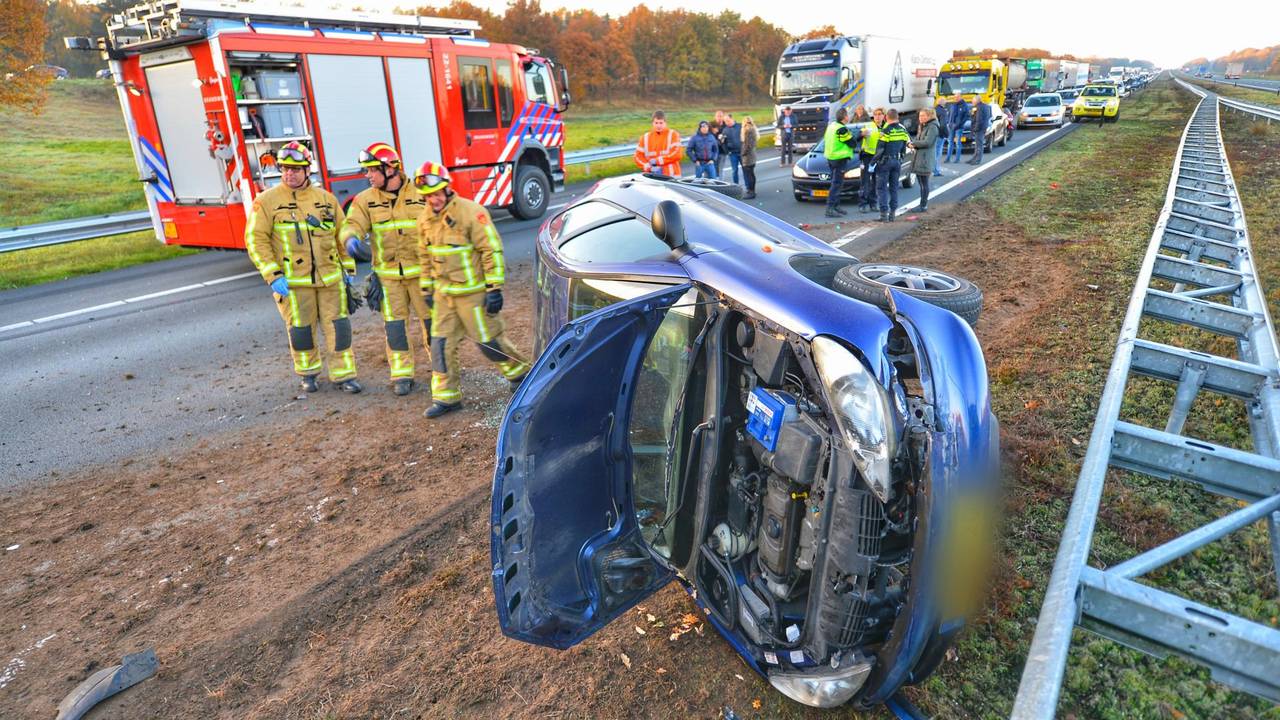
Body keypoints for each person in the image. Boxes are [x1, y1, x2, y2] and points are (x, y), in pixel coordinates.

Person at [413, 162, 530, 419]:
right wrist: (426, 289)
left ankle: (520, 374)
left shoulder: (471, 213)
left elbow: (491, 249)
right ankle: (446, 397)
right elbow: (424, 256)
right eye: (427, 196)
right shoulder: (424, 219)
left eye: (436, 194)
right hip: (445, 297)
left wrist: (494, 288)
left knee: (489, 343)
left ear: (446, 190)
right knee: (440, 346)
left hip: (473, 295)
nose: (432, 200)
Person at [244, 141, 361, 394]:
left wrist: (349, 270)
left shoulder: (326, 200)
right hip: (294, 285)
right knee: (301, 331)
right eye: (285, 168)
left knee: (339, 329)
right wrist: (272, 275)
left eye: (296, 169)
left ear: (308, 170)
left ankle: (344, 376)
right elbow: (255, 240)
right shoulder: (266, 202)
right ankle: (309, 374)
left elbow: (341, 235)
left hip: (331, 280)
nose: (290, 173)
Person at [340, 142, 428, 396]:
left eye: (371, 170)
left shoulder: (421, 192)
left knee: (433, 326)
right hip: (389, 278)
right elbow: (352, 223)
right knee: (395, 328)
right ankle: (402, 374)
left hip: (423, 275)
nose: (367, 175)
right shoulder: (365, 200)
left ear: (390, 168)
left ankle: (442, 371)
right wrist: (351, 240)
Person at [872, 108, 910, 222]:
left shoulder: (886, 131)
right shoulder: (902, 130)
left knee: (882, 188)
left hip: (885, 162)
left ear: (886, 118)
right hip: (897, 161)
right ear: (897, 117)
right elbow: (904, 146)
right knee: (894, 188)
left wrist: (873, 162)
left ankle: (883, 214)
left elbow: (880, 149)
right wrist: (901, 158)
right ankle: (892, 214)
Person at [821, 107, 858, 218]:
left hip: (831, 158)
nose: (849, 117)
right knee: (836, 184)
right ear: (845, 117)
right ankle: (830, 208)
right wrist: (860, 135)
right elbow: (852, 143)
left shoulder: (832, 126)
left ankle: (836, 206)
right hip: (839, 159)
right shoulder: (842, 129)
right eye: (847, 115)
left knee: (836, 183)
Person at [633, 110, 683, 176]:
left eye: (661, 123)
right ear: (652, 123)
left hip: (671, 176)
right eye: (656, 123)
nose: (658, 125)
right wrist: (646, 165)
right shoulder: (645, 137)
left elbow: (677, 154)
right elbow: (637, 156)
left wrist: (657, 161)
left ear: (665, 123)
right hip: (652, 177)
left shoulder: (673, 134)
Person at [910, 108, 940, 212]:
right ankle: (922, 204)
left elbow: (928, 142)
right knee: (921, 183)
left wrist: (914, 144)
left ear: (930, 116)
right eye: (920, 116)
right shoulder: (923, 126)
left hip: (925, 158)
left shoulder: (932, 127)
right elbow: (919, 139)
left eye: (923, 116)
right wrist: (912, 143)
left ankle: (923, 205)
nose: (921, 118)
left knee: (924, 183)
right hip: (920, 157)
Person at [857, 107, 885, 213]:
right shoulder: (868, 126)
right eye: (875, 114)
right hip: (867, 157)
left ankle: (873, 203)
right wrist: (861, 134)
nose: (877, 116)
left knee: (876, 182)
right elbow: (857, 137)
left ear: (883, 116)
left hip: (879, 158)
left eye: (880, 114)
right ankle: (863, 204)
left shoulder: (886, 127)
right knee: (865, 181)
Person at [968, 95, 992, 165]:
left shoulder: (980, 107)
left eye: (973, 100)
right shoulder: (983, 106)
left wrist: (975, 128)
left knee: (979, 145)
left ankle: (977, 160)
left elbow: (979, 119)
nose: (972, 101)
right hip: (982, 128)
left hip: (979, 129)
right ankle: (975, 158)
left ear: (977, 100)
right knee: (978, 145)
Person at [945, 94, 968, 164]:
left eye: (957, 97)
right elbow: (949, 115)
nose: (956, 98)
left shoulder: (964, 105)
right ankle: (948, 158)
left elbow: (966, 117)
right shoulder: (953, 105)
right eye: (955, 97)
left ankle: (957, 159)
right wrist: (948, 123)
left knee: (958, 143)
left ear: (961, 97)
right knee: (950, 142)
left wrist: (959, 124)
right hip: (951, 127)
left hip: (959, 127)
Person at [720, 113, 742, 184]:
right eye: (725, 121)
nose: (727, 123)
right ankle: (736, 185)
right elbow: (723, 143)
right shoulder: (725, 130)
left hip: (742, 152)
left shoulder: (740, 126)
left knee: (745, 170)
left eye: (728, 120)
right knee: (734, 170)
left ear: (732, 119)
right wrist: (727, 152)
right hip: (732, 154)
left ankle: (748, 187)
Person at [740, 116, 759, 199]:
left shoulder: (748, 130)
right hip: (752, 155)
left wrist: (742, 153)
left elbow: (747, 145)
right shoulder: (753, 129)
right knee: (751, 173)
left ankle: (751, 192)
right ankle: (752, 191)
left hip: (748, 156)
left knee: (749, 174)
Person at [932, 96, 949, 176]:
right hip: (939, 134)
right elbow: (943, 125)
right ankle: (936, 171)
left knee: (933, 152)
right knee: (938, 153)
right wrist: (946, 134)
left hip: (932, 133)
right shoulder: (943, 112)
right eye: (945, 101)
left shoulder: (933, 110)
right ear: (943, 103)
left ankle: (932, 169)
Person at [710, 110, 726, 178]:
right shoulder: (711, 124)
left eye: (721, 116)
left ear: (723, 117)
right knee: (713, 168)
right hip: (713, 151)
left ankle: (720, 183)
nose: (719, 118)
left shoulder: (726, 125)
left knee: (720, 168)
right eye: (718, 116)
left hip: (722, 150)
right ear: (715, 117)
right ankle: (714, 181)